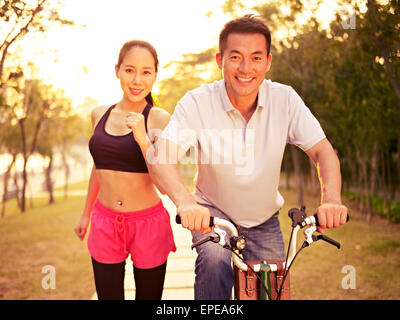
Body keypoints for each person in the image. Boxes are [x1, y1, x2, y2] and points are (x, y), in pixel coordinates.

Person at [144, 15, 348, 300]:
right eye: (235, 57)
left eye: (255, 58)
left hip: (264, 220)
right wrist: (186, 204)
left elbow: (322, 151)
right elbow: (160, 159)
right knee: (214, 261)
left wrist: (332, 199)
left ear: (268, 62)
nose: (245, 68)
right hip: (212, 218)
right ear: (220, 60)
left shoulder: (285, 99)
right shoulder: (197, 102)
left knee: (273, 286)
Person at [74, 40, 176, 300]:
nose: (137, 80)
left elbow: (164, 184)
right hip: (105, 223)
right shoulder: (99, 114)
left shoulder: (159, 119)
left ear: (155, 75)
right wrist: (86, 214)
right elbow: (98, 169)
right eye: (129, 70)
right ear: (117, 70)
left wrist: (142, 139)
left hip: (148, 224)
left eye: (146, 72)